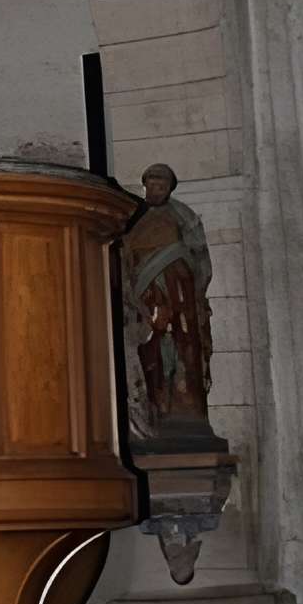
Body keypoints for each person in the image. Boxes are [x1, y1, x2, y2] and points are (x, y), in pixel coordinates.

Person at [122, 160, 213, 434]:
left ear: (169, 189)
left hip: (179, 293)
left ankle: (186, 408)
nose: (156, 190)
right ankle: (154, 408)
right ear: (145, 186)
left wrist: (196, 290)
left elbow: (200, 256)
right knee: (151, 349)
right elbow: (125, 255)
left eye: (162, 185)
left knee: (184, 347)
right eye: (152, 184)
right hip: (146, 296)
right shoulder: (133, 217)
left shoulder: (182, 215)